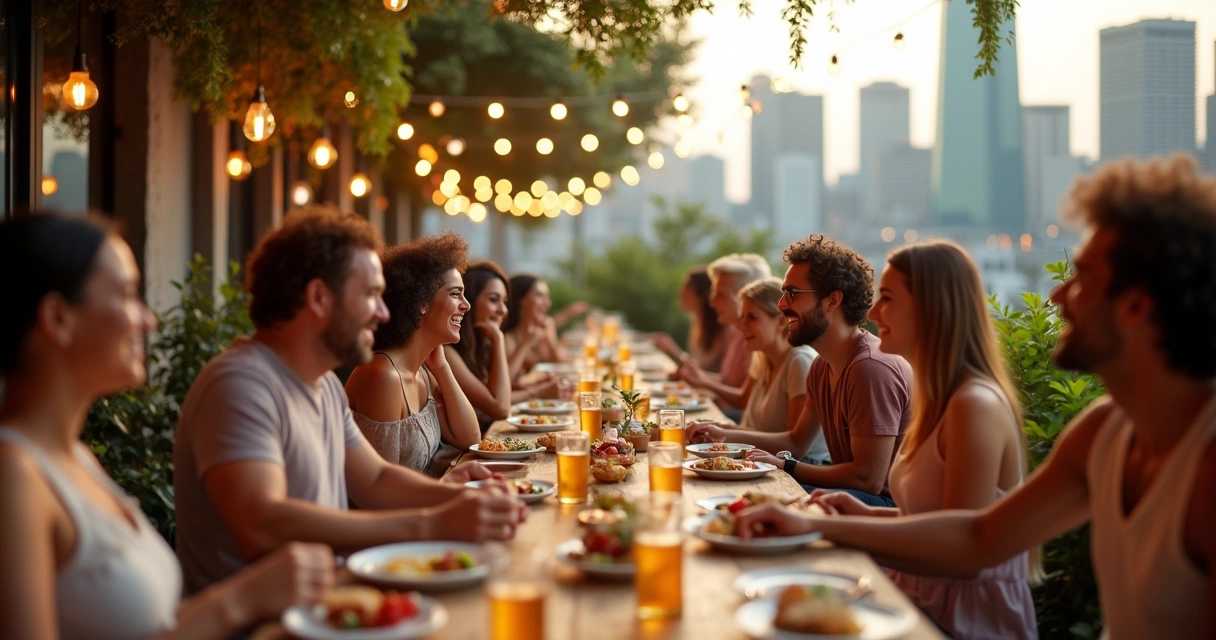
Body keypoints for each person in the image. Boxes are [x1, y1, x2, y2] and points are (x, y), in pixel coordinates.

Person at [735, 156, 1216, 639]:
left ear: (1136, 307)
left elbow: (968, 547)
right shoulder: (1103, 431)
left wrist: (820, 522)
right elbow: (979, 536)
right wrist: (848, 518)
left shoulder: (1204, 467)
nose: (1057, 296)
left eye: (1083, 278)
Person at [0, 214, 334, 639]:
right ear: (58, 318)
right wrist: (239, 600)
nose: (148, 319)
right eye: (126, 295)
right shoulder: (14, 477)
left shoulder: (76, 459)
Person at [174, 207, 525, 595]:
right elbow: (262, 523)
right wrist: (434, 522)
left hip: (325, 601)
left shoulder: (321, 384)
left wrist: (463, 498)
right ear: (319, 297)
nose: (384, 311)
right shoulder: (239, 384)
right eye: (371, 295)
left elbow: (375, 478)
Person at [814, 240, 1039, 638]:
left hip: (966, 620)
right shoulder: (937, 398)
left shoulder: (975, 405)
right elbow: (933, 519)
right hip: (917, 598)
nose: (872, 312)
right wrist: (865, 514)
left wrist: (820, 527)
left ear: (933, 307)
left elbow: (961, 552)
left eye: (887, 298)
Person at [687, 235, 912, 507]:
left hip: (886, 507)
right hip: (852, 493)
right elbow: (796, 440)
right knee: (747, 495)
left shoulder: (869, 369)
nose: (782, 305)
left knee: (759, 499)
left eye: (792, 294)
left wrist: (785, 466)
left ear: (832, 301)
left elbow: (869, 479)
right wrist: (726, 432)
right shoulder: (821, 365)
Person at [344, 233, 483, 475]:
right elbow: (379, 493)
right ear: (421, 302)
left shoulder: (422, 371)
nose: (466, 304)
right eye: (454, 293)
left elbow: (470, 437)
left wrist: (441, 367)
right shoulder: (383, 377)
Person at [680, 278, 829, 463]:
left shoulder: (800, 362)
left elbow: (794, 447)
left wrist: (725, 433)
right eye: (742, 316)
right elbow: (754, 420)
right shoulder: (761, 357)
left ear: (781, 322)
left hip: (801, 469)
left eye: (752, 317)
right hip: (760, 458)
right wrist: (719, 427)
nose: (741, 326)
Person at [446, 261, 561, 429]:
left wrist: (532, 387)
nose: (503, 310)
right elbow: (500, 407)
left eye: (505, 302)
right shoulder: (448, 353)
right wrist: (540, 392)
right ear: (469, 301)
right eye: (493, 300)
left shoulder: (480, 345)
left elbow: (498, 391)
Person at [674, 254, 772, 416]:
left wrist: (702, 380)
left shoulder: (758, 340)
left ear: (747, 296)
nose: (711, 302)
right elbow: (728, 381)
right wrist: (698, 376)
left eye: (720, 295)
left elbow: (745, 403)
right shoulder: (736, 332)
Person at [652, 267, 727, 372]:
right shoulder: (697, 321)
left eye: (687, 287)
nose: (680, 291)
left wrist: (672, 350)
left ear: (702, 294)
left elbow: (702, 369)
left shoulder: (721, 327)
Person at [501, 274, 571, 378]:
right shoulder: (508, 339)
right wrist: (526, 343)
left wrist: (550, 337)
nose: (548, 303)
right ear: (521, 300)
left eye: (547, 297)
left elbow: (562, 365)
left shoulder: (541, 332)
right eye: (540, 295)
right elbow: (506, 379)